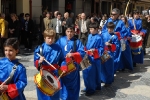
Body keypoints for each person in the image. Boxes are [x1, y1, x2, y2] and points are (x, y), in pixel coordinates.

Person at [34, 29, 64, 100]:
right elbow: (36, 61)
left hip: (54, 73)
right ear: (44, 38)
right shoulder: (40, 48)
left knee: (54, 94)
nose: (50, 40)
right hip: (43, 73)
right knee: (43, 94)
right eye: (48, 38)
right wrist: (39, 61)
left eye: (52, 38)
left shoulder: (58, 48)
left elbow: (62, 60)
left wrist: (64, 66)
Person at [56, 25, 85, 100]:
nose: (69, 33)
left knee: (73, 85)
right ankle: (64, 97)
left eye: (71, 31)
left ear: (74, 32)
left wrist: (72, 54)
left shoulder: (77, 41)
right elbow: (56, 51)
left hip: (73, 67)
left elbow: (82, 52)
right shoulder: (60, 40)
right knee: (63, 83)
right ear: (65, 32)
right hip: (62, 66)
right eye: (68, 31)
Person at [82, 22, 103, 96]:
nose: (90, 30)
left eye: (91, 29)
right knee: (85, 73)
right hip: (87, 56)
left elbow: (101, 48)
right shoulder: (89, 35)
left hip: (94, 58)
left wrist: (95, 50)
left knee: (92, 74)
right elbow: (87, 45)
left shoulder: (99, 37)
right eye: (89, 29)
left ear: (96, 29)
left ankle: (92, 89)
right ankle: (88, 86)